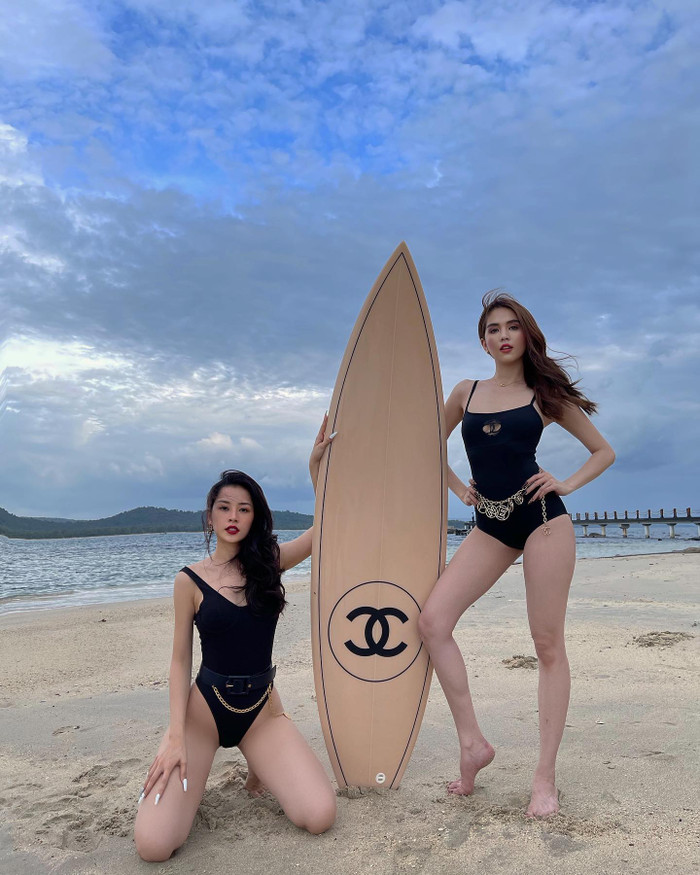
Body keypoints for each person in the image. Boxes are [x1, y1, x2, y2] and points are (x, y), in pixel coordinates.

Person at [419, 291, 615, 818]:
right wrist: (457, 488)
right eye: (492, 329)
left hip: (543, 520)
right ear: (483, 342)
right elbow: (425, 443)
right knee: (433, 622)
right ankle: (472, 745)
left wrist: (565, 483)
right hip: (490, 524)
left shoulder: (543, 396)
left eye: (511, 326)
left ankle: (544, 778)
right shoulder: (465, 392)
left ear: (526, 335)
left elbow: (603, 451)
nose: (502, 335)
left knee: (547, 645)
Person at [134, 418, 337, 861]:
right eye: (224, 508)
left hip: (261, 711)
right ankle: (204, 776)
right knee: (153, 846)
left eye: (243, 509)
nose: (233, 517)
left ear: (255, 517)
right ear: (210, 516)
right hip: (203, 713)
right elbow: (179, 661)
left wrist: (315, 470)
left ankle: (258, 763)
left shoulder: (270, 563)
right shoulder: (188, 581)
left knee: (320, 815)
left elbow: (325, 527)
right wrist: (175, 735)